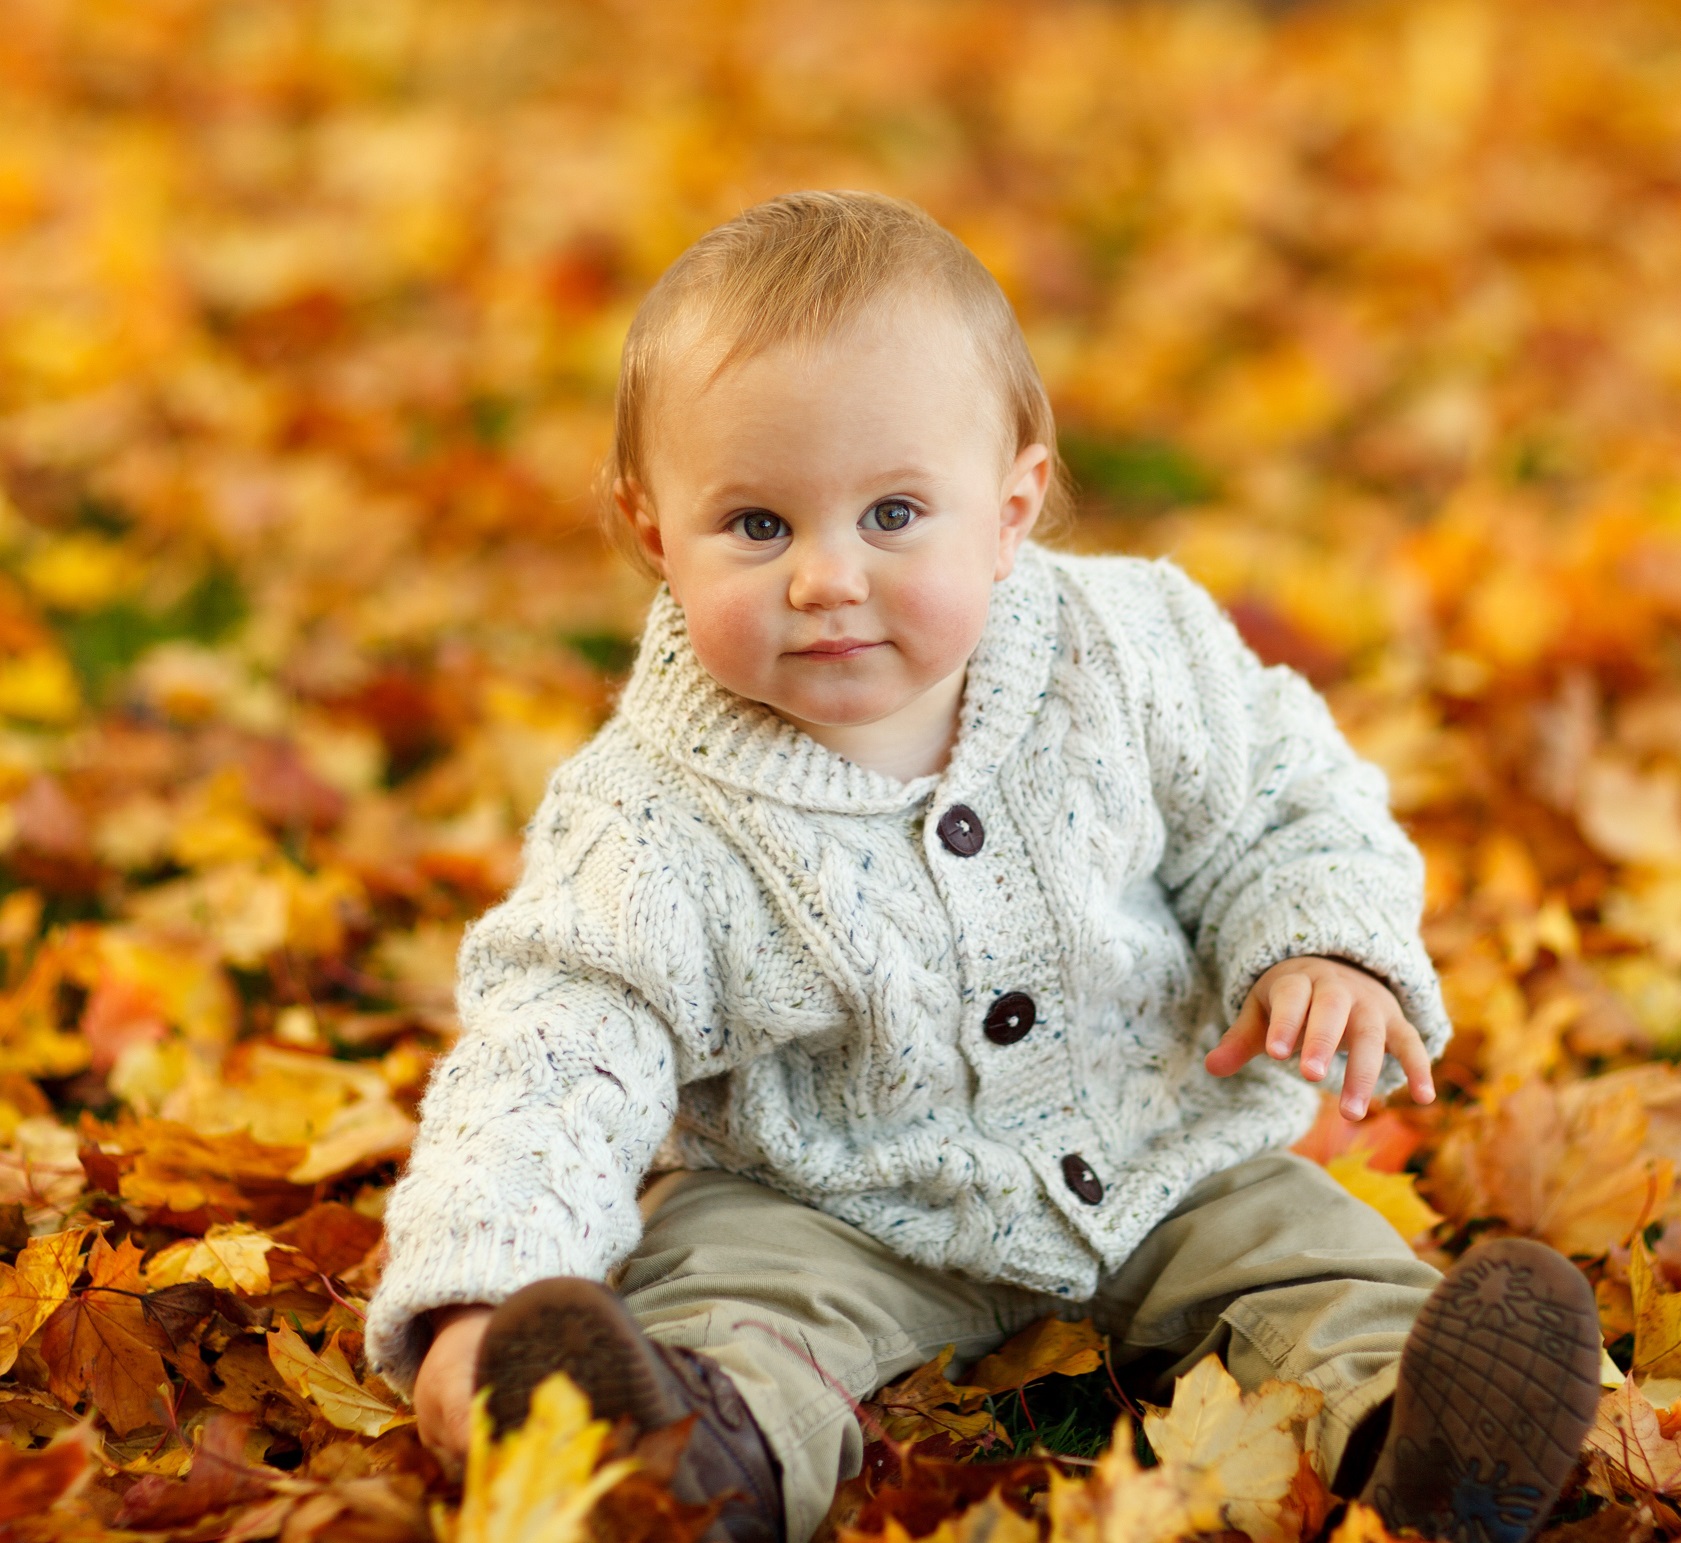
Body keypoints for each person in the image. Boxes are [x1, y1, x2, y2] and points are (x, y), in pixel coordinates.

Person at [365, 190, 1599, 1543]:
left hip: (1165, 1146)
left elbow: (1284, 801)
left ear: (1011, 509)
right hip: (831, 1201)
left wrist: (1322, 943)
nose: (828, 578)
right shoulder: (649, 816)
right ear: (654, 531)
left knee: (1315, 1267)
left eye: (894, 513)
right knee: (729, 1304)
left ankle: (1420, 1441)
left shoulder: (1132, 650)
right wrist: (482, 1289)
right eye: (759, 527)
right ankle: (676, 1462)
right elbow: (556, 1050)